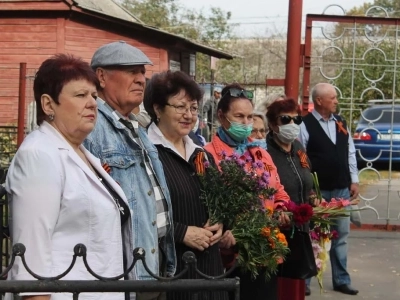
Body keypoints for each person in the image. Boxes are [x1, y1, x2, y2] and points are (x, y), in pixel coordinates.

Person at [5, 54, 133, 300]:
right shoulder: (38, 156)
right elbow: (31, 259)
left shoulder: (83, 154)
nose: (92, 104)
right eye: (80, 95)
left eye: (94, 96)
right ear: (48, 104)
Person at [83, 41, 176, 300]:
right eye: (130, 71)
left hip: (152, 264)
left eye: (142, 72)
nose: (140, 79)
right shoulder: (92, 127)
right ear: (101, 76)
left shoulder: (134, 125)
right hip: (122, 272)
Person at [143, 70, 227, 300]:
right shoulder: (145, 154)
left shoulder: (200, 154)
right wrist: (180, 232)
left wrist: (220, 222)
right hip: (172, 270)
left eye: (193, 108)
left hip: (209, 269)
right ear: (157, 108)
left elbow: (218, 199)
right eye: (180, 107)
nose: (188, 115)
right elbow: (139, 212)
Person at [204, 83, 291, 300]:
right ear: (222, 117)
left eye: (250, 117)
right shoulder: (208, 155)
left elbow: (278, 190)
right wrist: (227, 229)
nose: (246, 123)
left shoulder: (260, 152)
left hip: (266, 250)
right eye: (239, 116)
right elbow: (207, 203)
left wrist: (282, 209)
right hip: (231, 256)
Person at [299, 83, 359, 296]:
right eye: (332, 98)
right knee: (312, 236)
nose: (336, 101)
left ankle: (341, 280)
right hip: (318, 191)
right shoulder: (305, 124)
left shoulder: (341, 122)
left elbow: (350, 152)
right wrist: (308, 189)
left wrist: (354, 180)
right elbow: (302, 158)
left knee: (341, 236)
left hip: (341, 189)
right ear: (319, 101)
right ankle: (304, 283)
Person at [266, 98, 319, 299]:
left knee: (297, 286)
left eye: (296, 120)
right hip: (278, 231)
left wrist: (312, 195)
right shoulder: (265, 152)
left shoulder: (298, 148)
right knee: (279, 287)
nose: (292, 125)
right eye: (285, 119)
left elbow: (307, 177)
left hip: (301, 229)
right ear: (272, 124)